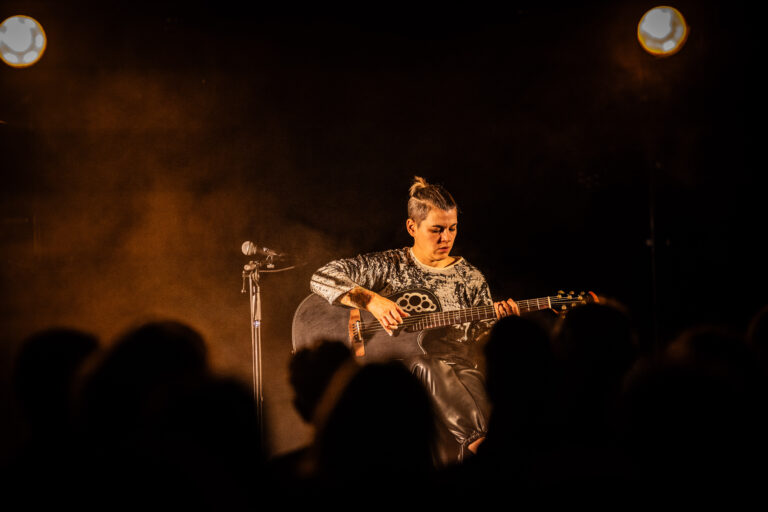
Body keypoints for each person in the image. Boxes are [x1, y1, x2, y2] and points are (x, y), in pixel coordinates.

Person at [309, 176, 518, 465]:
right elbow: (321, 277)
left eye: (452, 228)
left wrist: (502, 324)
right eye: (437, 230)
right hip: (401, 374)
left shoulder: (470, 278)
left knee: (471, 385)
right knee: (425, 366)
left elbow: (480, 342)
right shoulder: (388, 266)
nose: (446, 238)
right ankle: (478, 443)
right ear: (412, 227)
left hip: (458, 372)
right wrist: (371, 300)